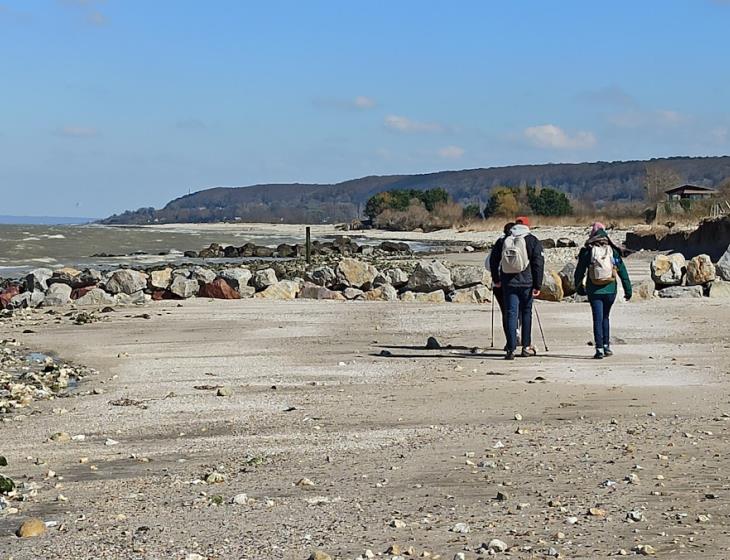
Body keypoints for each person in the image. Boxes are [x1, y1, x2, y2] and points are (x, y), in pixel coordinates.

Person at [573, 222, 632, 359]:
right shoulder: (613, 250)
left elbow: (579, 272)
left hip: (594, 290)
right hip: (611, 290)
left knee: (597, 318)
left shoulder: (587, 251)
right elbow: (622, 271)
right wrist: (628, 290)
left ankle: (599, 349)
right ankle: (606, 346)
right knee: (606, 317)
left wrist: (579, 287)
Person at [492, 216, 544, 360]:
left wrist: (496, 280)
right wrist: (537, 284)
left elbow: (493, 259)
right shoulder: (532, 240)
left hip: (508, 283)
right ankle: (526, 347)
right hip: (527, 283)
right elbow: (538, 263)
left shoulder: (503, 240)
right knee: (526, 314)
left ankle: (510, 348)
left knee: (511, 313)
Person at [487, 222, 516, 349]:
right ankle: (521, 337)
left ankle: (510, 341)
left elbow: (490, 263)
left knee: (507, 312)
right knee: (522, 311)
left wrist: (495, 279)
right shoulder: (523, 241)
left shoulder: (500, 242)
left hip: (500, 283)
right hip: (520, 281)